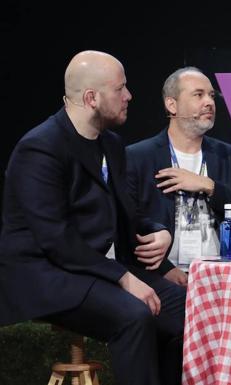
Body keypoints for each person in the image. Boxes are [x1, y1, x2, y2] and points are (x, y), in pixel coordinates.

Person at [0, 51, 186, 385]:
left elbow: (129, 213)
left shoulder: (111, 144)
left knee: (191, 312)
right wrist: (125, 279)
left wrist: (160, 233)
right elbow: (57, 240)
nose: (129, 96)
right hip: (49, 274)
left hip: (100, 271)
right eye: (121, 89)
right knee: (135, 315)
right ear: (91, 98)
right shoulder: (40, 149)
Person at [126, 66, 231, 285]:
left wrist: (209, 186)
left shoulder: (225, 154)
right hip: (161, 275)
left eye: (211, 96)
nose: (209, 102)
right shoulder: (139, 156)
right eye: (198, 95)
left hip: (219, 271)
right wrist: (164, 270)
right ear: (172, 104)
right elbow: (127, 222)